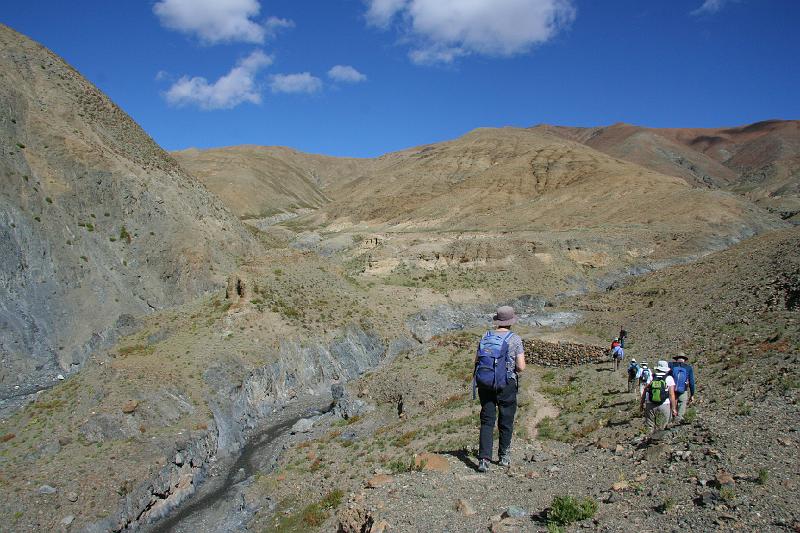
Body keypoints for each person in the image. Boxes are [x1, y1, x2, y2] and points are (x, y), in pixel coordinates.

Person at [473, 306, 525, 473]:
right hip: (506, 384)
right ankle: (503, 456)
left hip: (486, 383)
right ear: (511, 321)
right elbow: (521, 366)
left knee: (487, 420)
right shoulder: (515, 339)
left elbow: (476, 360)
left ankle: (483, 460)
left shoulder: (485, 336)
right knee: (506, 419)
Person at [640, 360, 677, 431]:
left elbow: (645, 390)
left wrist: (641, 404)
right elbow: (671, 394)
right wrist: (673, 408)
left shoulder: (652, 377)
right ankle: (659, 441)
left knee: (649, 426)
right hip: (664, 404)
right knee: (663, 426)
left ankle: (649, 439)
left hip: (650, 404)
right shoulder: (669, 378)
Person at [668, 352, 696, 423]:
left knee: (671, 404)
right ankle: (678, 420)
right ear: (684, 359)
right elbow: (692, 382)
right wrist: (692, 394)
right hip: (683, 390)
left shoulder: (671, 365)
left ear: (676, 359)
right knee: (682, 404)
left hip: (672, 389)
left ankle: (670, 420)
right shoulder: (688, 368)